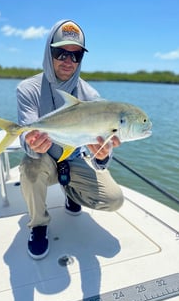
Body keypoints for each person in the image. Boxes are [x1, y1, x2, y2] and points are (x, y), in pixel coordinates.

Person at [17, 19, 124, 260]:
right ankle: (38, 224)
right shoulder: (28, 89)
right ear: (49, 51)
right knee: (30, 166)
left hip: (75, 157)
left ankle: (71, 191)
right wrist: (31, 143)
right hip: (43, 158)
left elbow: (99, 151)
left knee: (114, 199)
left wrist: (103, 155)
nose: (69, 61)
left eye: (76, 56)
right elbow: (25, 133)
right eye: (61, 53)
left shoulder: (91, 96)